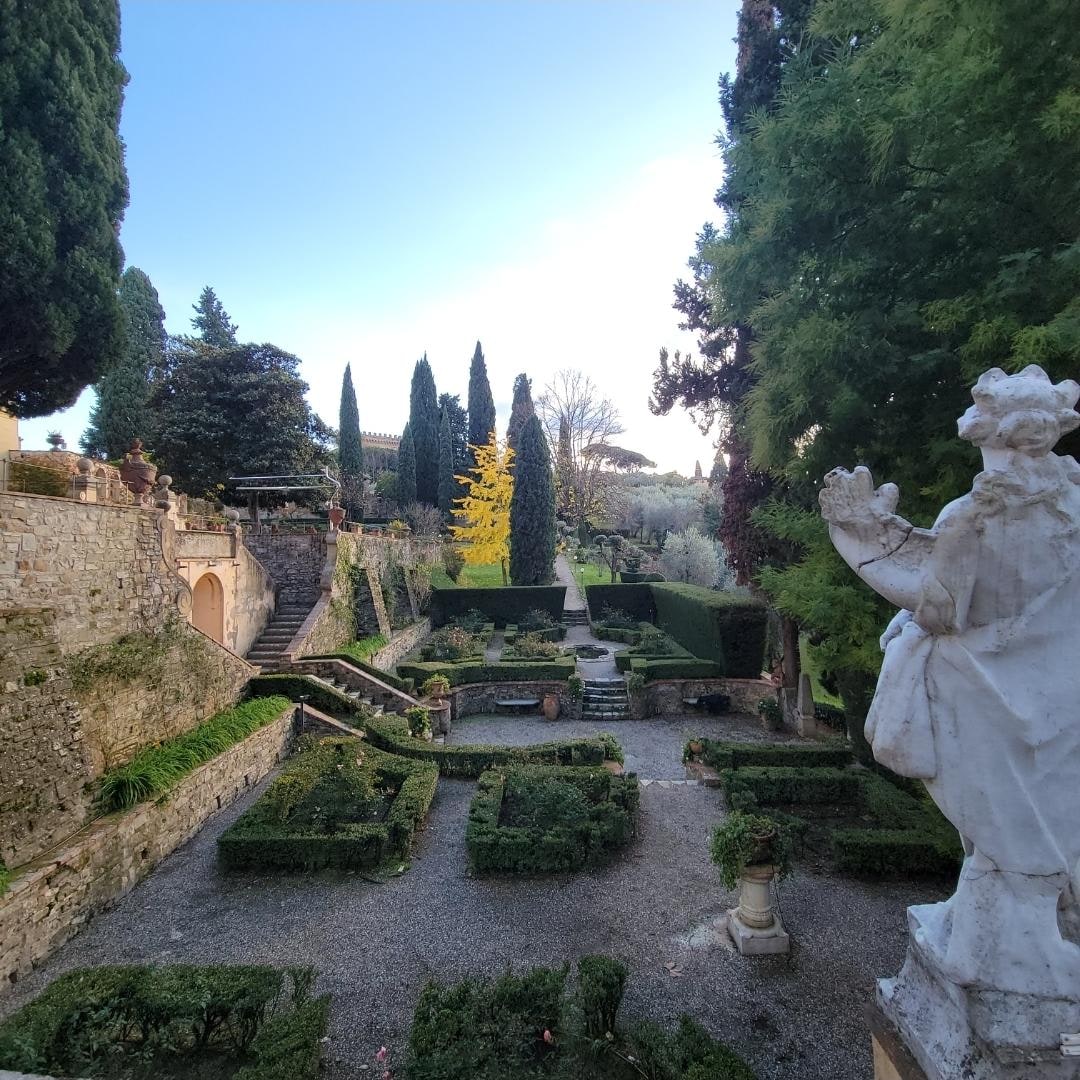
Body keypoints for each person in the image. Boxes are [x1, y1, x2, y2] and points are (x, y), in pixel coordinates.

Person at [821, 365, 1080, 999]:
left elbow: (935, 603)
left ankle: (1014, 950)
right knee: (1037, 821)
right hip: (1058, 695)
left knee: (1004, 824)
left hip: (982, 694)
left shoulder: (975, 516)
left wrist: (850, 534)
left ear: (990, 433)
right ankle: (1002, 934)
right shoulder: (1072, 506)